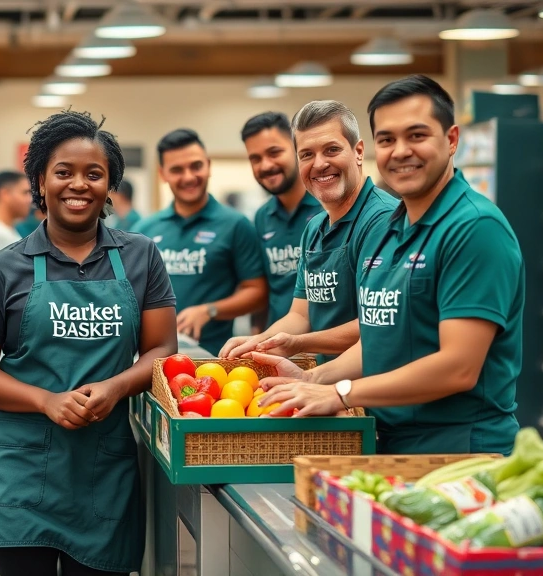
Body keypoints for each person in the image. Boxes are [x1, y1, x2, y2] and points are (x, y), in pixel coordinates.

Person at [0, 110, 177, 576]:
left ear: (110, 183)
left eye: (94, 174)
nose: (79, 184)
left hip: (101, 466)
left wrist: (115, 388)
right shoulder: (4, 267)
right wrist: (46, 400)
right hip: (16, 468)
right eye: (63, 172)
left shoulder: (140, 256)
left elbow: (162, 350)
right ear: (40, 180)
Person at [257, 75, 524, 456]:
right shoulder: (395, 229)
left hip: (461, 450)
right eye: (388, 139)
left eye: (416, 135)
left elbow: (458, 368)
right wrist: (312, 376)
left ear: (451, 140)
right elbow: (385, 341)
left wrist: (340, 392)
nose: (400, 151)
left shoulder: (475, 228)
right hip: (390, 441)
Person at [222, 101, 398, 364]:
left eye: (332, 150)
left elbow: (378, 325)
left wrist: (298, 343)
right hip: (328, 387)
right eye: (306, 155)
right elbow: (301, 315)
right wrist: (259, 342)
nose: (319, 164)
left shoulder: (383, 220)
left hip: (374, 391)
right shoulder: (315, 227)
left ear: (358, 151)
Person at [131, 128, 266, 355]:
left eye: (196, 166)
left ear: (208, 165)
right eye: (177, 170)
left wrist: (209, 310)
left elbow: (257, 292)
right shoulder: (144, 231)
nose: (188, 177)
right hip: (149, 359)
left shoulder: (235, 225)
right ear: (163, 174)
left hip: (211, 357)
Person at [242, 112, 325, 329]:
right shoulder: (262, 217)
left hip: (327, 347)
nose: (266, 165)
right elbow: (265, 292)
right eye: (255, 158)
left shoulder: (326, 206)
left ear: (298, 149)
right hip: (277, 346)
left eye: (274, 152)